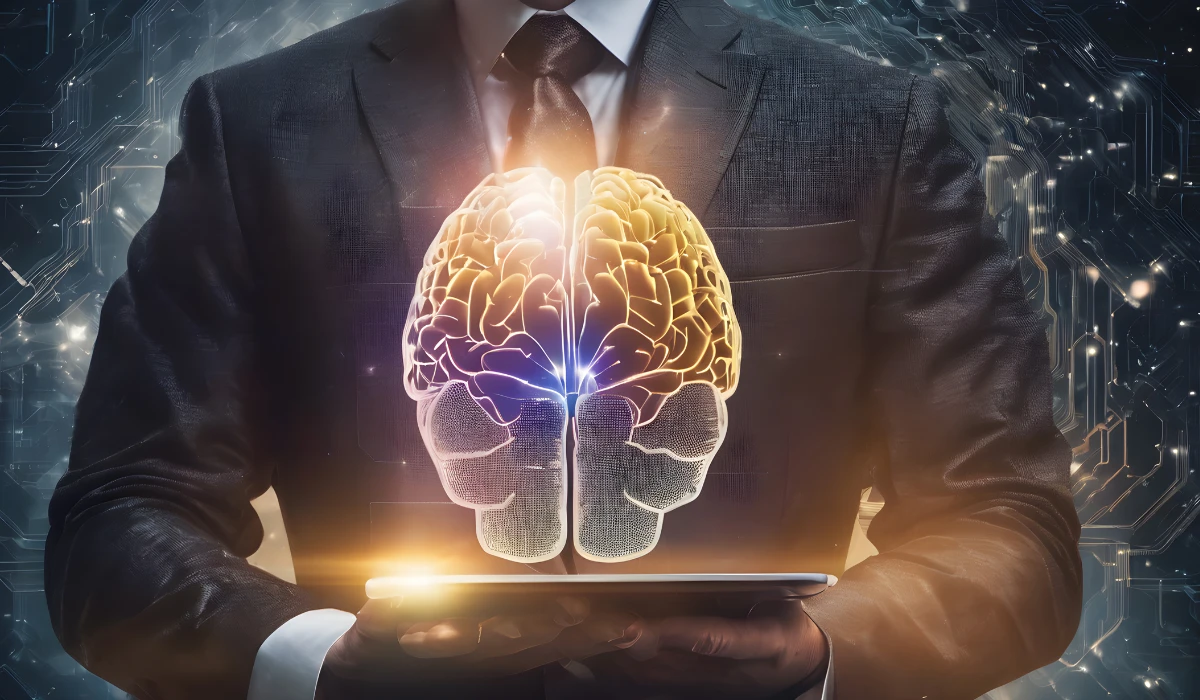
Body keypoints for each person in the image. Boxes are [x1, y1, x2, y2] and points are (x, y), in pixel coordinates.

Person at [44, 0, 1084, 698]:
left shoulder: (869, 120)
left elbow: (1011, 524)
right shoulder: (260, 121)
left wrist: (818, 652)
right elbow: (119, 516)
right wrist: (321, 664)